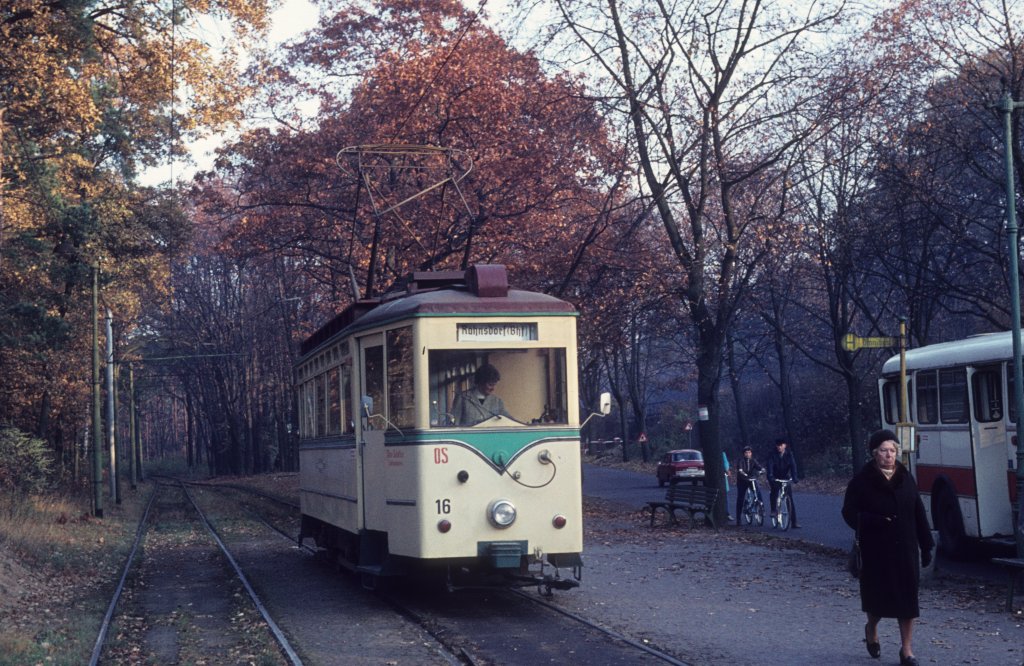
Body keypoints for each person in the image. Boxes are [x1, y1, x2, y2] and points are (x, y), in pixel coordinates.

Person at [842, 429, 933, 666]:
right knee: (878, 601)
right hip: (876, 550)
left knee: (908, 601)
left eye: (893, 450)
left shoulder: (906, 478)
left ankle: (907, 650)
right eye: (884, 450)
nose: (889, 455)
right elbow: (848, 512)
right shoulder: (862, 481)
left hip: (905, 549)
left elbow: (918, 512)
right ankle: (871, 628)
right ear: (875, 453)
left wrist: (926, 545)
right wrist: (869, 520)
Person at [766, 437, 800, 528]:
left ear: (785, 445)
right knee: (774, 492)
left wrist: (794, 477)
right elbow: (769, 465)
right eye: (778, 445)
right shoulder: (772, 454)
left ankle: (794, 522)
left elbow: (793, 466)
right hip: (774, 476)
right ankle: (773, 510)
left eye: (781, 445)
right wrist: (770, 476)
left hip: (785, 476)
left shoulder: (789, 454)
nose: (779, 447)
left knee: (789, 499)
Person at [734, 445, 764, 526]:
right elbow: (740, 470)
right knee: (740, 498)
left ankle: (761, 509)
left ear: (751, 453)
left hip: (751, 480)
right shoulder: (741, 461)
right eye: (746, 453)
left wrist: (762, 470)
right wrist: (744, 475)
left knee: (758, 492)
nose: (748, 454)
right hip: (742, 481)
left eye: (749, 452)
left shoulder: (753, 460)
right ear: (744, 454)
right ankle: (738, 518)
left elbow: (759, 467)